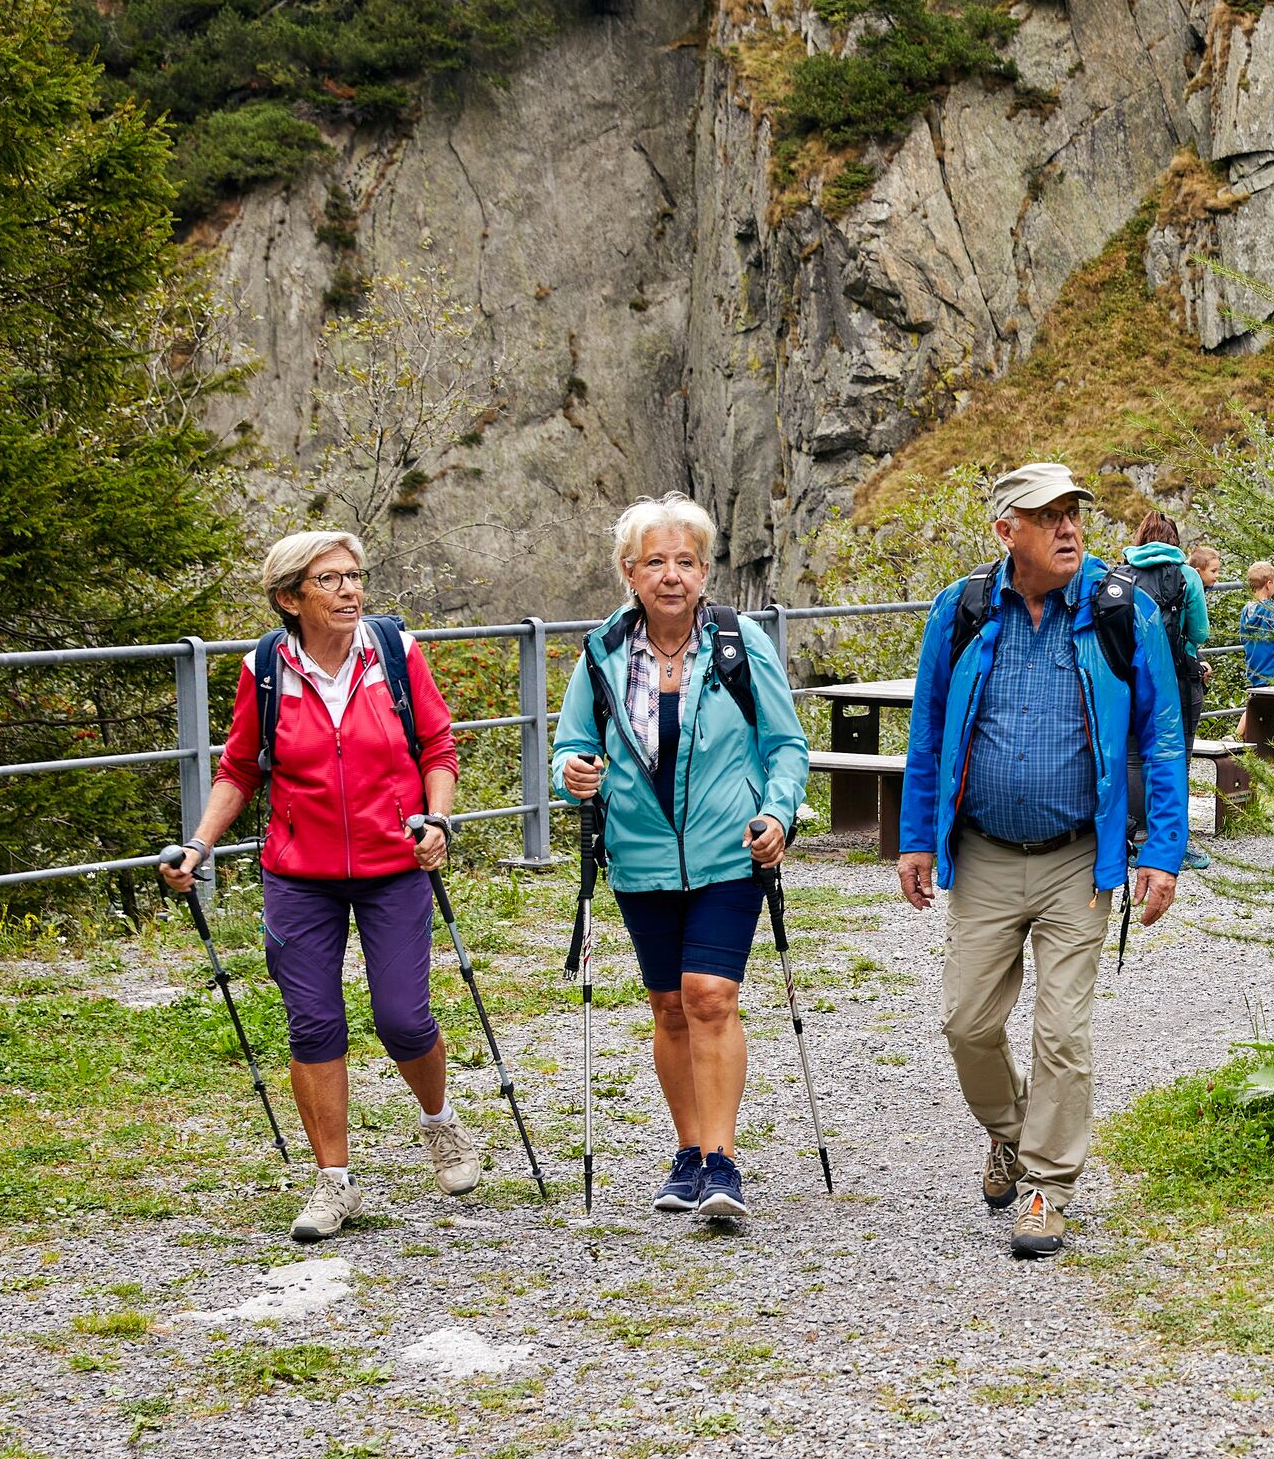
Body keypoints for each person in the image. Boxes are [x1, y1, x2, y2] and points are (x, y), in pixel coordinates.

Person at [896, 463, 1187, 1258]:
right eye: (1047, 515)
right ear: (1006, 531)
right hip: (984, 854)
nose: (1068, 527)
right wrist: (916, 837)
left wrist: (1162, 851)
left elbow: (1162, 735)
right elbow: (928, 731)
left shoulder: (1121, 609)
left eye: (1073, 513)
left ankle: (1045, 1190)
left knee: (1062, 1033)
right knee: (966, 1022)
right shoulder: (961, 610)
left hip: (1077, 859)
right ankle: (1011, 1131)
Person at [162, 529, 481, 1244]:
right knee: (312, 1023)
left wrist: (436, 819)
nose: (350, 590)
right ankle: (334, 1180)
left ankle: (439, 1123)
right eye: (330, 579)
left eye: (354, 576)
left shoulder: (394, 652)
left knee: (403, 1018)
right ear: (290, 598)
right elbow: (240, 767)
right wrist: (199, 843)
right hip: (299, 876)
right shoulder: (264, 668)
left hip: (394, 865)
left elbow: (437, 746)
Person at [551, 494, 811, 1224]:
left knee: (709, 994)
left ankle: (722, 1163)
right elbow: (570, 745)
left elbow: (787, 745)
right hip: (639, 856)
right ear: (629, 572)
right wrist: (572, 772)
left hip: (732, 850)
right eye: (655, 562)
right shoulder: (602, 651)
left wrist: (777, 813)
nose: (672, 575)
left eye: (686, 561)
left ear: (704, 571)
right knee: (668, 1007)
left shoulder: (739, 643)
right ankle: (689, 1152)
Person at [1123, 513, 1212, 869]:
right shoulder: (1187, 575)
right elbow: (1200, 632)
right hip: (1178, 679)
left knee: (1133, 758)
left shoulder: (1121, 575)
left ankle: (1137, 839)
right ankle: (1173, 842)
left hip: (1132, 679)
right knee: (1177, 759)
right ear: (1174, 540)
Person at [1236, 561, 1274, 746]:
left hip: (1254, 667)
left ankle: (1239, 736)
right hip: (1273, 670)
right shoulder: (1272, 611)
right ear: (1269, 584)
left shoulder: (1246, 610)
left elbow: (1243, 637)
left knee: (1257, 702)